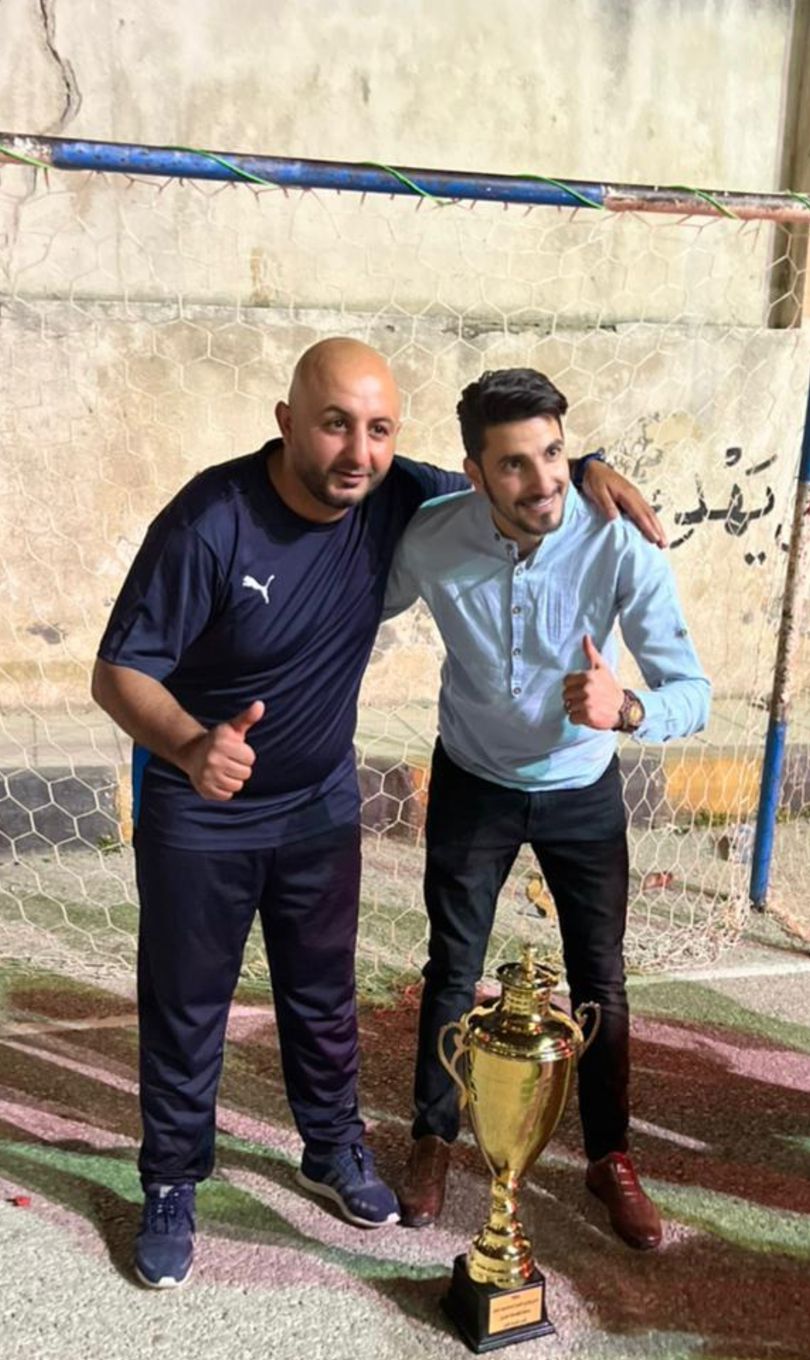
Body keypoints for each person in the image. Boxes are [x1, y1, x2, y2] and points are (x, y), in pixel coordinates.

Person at [92, 338, 664, 1288]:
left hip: (319, 802)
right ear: (287, 423)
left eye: (380, 429)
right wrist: (190, 745)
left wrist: (593, 461)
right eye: (334, 425)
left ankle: (331, 1149)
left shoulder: (400, 493)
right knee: (186, 1004)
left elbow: (513, 474)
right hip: (202, 808)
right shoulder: (209, 519)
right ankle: (172, 1178)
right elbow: (118, 672)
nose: (358, 452)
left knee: (324, 998)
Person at [387, 368, 710, 1249]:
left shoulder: (619, 543)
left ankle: (610, 1159)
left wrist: (628, 709)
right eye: (515, 464)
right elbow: (353, 601)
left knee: (600, 980)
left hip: (581, 790)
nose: (543, 481)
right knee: (452, 969)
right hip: (473, 781)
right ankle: (433, 1139)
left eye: (556, 454)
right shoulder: (432, 537)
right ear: (474, 473)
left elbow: (694, 691)